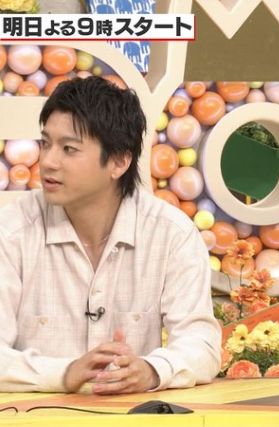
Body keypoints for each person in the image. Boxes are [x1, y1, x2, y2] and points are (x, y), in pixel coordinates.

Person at [0, 77, 221, 393]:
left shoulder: (171, 234)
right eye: (46, 144)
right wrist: (64, 373)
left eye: (69, 149)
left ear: (119, 161)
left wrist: (152, 371)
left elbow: (202, 345)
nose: (47, 162)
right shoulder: (11, 230)